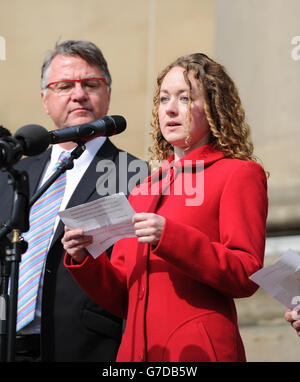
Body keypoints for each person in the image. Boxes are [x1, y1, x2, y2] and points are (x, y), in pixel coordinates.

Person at [62, 53, 268, 362]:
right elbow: (122, 296)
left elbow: (247, 273)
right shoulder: (144, 186)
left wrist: (169, 237)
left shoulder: (238, 174)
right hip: (135, 354)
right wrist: (84, 259)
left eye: (185, 98)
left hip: (197, 350)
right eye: (163, 99)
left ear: (213, 108)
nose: (170, 109)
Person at [0, 40, 146, 361]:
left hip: (84, 348)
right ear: (45, 100)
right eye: (64, 85)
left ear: (107, 94)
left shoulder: (135, 175)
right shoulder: (11, 174)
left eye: (90, 84)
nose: (78, 94)